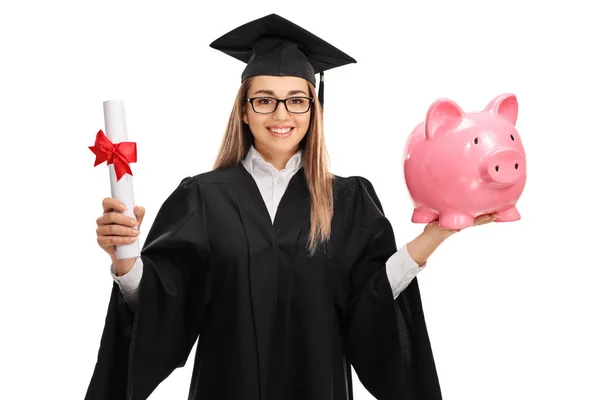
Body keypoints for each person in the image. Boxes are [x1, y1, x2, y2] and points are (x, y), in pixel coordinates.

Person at [85, 13, 497, 400]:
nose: (281, 113)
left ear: (313, 110)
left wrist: (434, 236)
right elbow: (164, 306)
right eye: (264, 100)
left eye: (296, 100)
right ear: (244, 111)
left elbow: (371, 305)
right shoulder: (202, 198)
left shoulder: (349, 200)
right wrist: (125, 259)